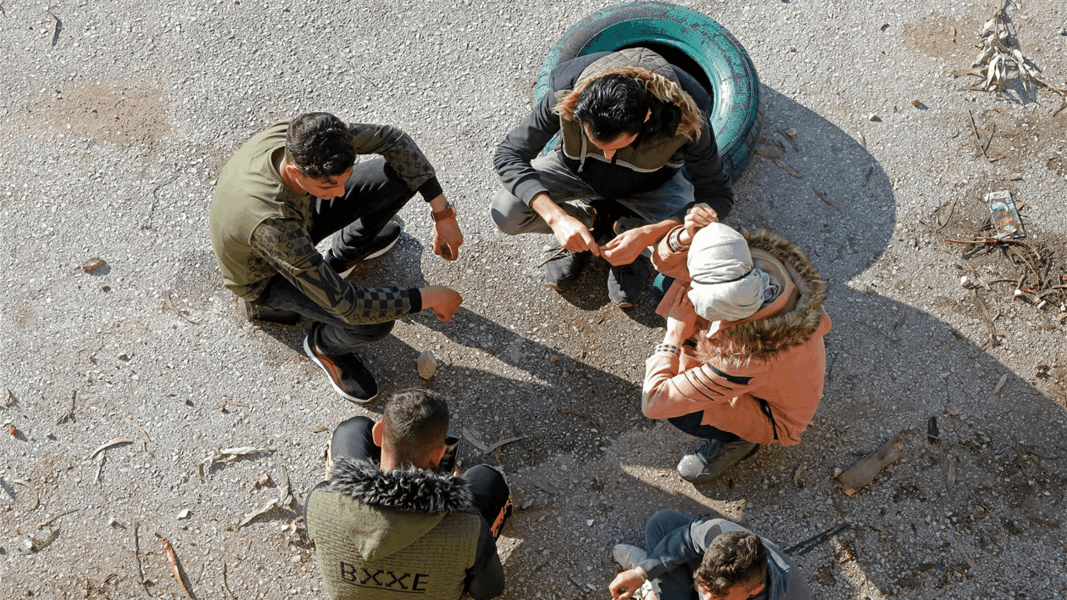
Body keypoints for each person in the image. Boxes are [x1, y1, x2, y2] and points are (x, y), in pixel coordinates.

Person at [209, 113, 464, 402]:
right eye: (330, 186)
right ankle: (323, 346)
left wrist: (442, 213)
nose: (341, 192)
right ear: (294, 172)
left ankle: (346, 256)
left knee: (399, 173)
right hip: (266, 275)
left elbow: (395, 141)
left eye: (342, 180)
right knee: (373, 321)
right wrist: (427, 298)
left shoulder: (309, 138)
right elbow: (349, 305)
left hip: (298, 219)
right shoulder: (274, 223)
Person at [491, 47, 733, 307]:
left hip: (652, 187)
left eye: (616, 146)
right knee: (506, 212)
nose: (607, 154)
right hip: (575, 173)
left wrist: (650, 234)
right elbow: (508, 154)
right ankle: (588, 225)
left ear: (646, 117)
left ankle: (630, 231)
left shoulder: (688, 123)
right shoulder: (568, 93)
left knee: (700, 247)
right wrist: (557, 218)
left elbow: (717, 194)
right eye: (596, 142)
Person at [643, 214, 831, 483]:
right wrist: (683, 236)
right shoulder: (756, 261)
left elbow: (655, 402)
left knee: (682, 411)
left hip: (772, 414)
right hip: (776, 371)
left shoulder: (745, 359)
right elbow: (664, 264)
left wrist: (674, 335)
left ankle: (740, 441)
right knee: (665, 286)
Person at [304, 390, 511, 600]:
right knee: (486, 479)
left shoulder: (319, 501)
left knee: (353, 430)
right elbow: (489, 590)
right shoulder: (469, 526)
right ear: (440, 453)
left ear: (378, 433)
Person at [608, 510, 813, 600]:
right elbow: (688, 537)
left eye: (720, 599)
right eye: (703, 588)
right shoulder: (720, 535)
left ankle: (650, 590)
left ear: (754, 590)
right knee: (663, 523)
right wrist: (642, 572)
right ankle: (646, 578)